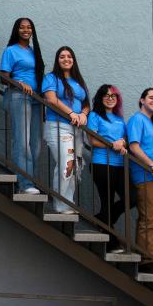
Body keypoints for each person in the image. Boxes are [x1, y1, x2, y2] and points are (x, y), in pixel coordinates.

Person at [87, 84, 134, 250]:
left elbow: (125, 140)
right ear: (100, 98)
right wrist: (111, 145)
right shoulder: (95, 115)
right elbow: (92, 140)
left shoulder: (120, 119)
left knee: (132, 197)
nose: (110, 98)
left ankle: (102, 219)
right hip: (101, 164)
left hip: (120, 165)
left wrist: (122, 142)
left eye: (113, 96)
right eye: (106, 95)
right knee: (107, 201)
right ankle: (111, 242)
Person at [42, 46, 89, 210]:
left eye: (69, 56)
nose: (66, 59)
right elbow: (52, 100)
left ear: (73, 60)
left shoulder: (78, 81)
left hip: (77, 130)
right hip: (58, 126)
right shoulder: (51, 78)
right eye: (62, 56)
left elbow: (86, 104)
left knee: (76, 167)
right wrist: (71, 113)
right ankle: (60, 205)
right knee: (66, 164)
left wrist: (83, 114)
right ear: (57, 60)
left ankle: (68, 203)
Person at [0, 18, 44, 193]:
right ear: (16, 30)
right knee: (22, 141)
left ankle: (28, 180)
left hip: (36, 100)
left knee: (35, 144)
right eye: (22, 27)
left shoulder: (34, 52)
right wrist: (18, 83)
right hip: (19, 97)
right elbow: (3, 77)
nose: (26, 30)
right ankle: (25, 184)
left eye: (29, 27)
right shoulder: (11, 51)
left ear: (32, 31)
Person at [127, 87, 153, 272]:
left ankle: (149, 255)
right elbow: (134, 147)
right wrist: (152, 165)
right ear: (142, 100)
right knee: (149, 217)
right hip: (145, 176)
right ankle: (145, 260)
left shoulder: (152, 123)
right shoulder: (137, 119)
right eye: (151, 97)